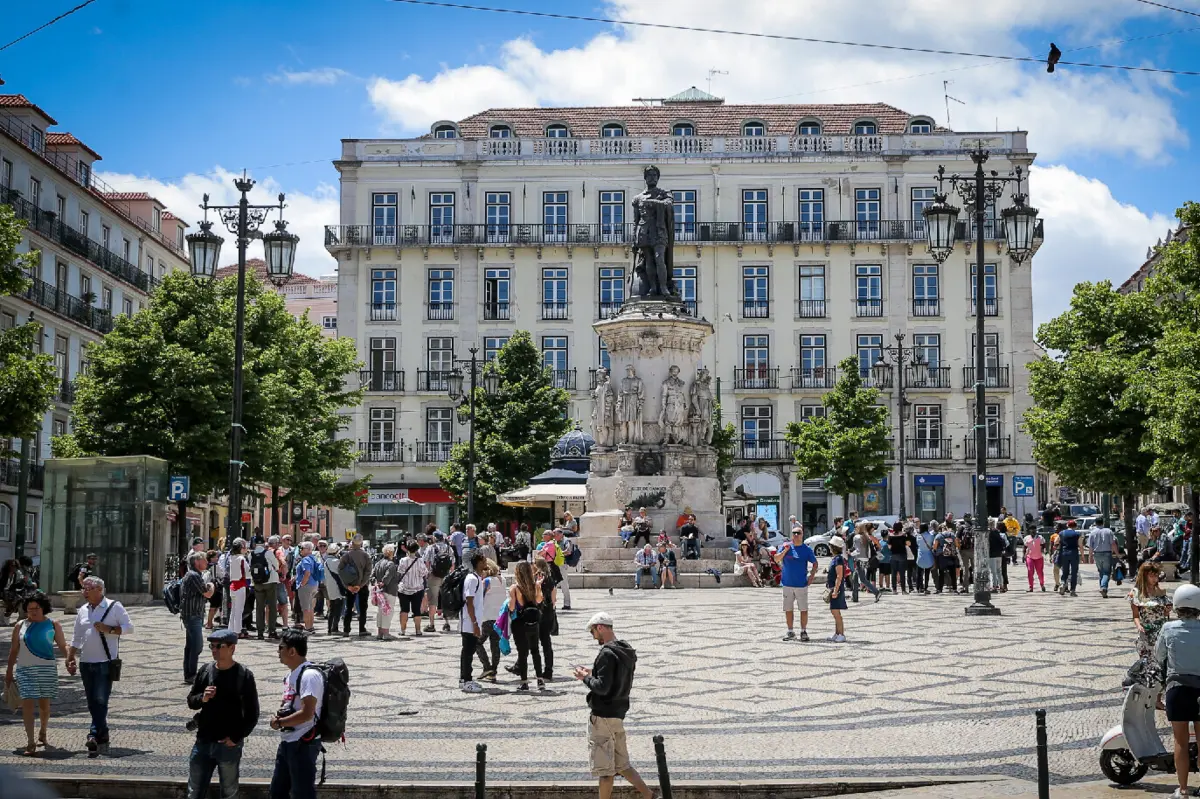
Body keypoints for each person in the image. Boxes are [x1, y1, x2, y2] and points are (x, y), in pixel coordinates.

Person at [573, 612, 654, 799]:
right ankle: (651, 797)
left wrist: (585, 678)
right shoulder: (626, 650)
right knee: (623, 765)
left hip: (602, 716)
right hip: (618, 714)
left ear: (600, 627)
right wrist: (594, 671)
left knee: (605, 771)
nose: (593, 636)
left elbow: (602, 687)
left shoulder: (606, 653)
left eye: (593, 632)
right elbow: (614, 676)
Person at [186, 629, 259, 799]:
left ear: (232, 648)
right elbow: (191, 701)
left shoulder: (244, 675)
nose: (214, 650)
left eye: (219, 646)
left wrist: (235, 737)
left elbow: (252, 713)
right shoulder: (205, 671)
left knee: (229, 792)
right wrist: (202, 698)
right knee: (194, 792)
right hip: (203, 741)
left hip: (228, 745)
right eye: (212, 646)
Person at [69, 576, 133, 753]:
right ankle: (103, 732)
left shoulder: (114, 607)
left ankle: (93, 733)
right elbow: (76, 636)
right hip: (86, 662)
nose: (85, 592)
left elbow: (129, 628)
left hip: (105, 662)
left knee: (100, 699)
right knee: (91, 701)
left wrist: (109, 629)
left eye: (88, 589)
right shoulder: (83, 610)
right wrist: (70, 656)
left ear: (99, 590)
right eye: (84, 589)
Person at [5, 593, 72, 755]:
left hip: (47, 669)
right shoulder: (20, 625)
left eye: (36, 608)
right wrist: (8, 672)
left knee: (44, 705)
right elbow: (14, 650)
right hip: (25, 670)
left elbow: (63, 646)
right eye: (30, 609)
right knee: (27, 703)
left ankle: (43, 731)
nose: (33, 612)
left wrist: (69, 660)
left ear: (43, 607)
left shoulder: (53, 624)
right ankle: (30, 742)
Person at [1154, 584, 1200, 799]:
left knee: (1180, 741)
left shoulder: (1168, 628)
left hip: (1177, 688)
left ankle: (1182, 790)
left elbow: (1158, 655)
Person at [268, 629, 324, 799]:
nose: (278, 652)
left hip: (303, 744)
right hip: (288, 742)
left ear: (292, 651)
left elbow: (307, 713)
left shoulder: (309, 676)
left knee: (302, 794)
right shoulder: (292, 674)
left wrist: (279, 723)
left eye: (281, 648)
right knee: (278, 792)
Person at [1130, 562, 1172, 686]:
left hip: (1162, 632)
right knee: (1148, 667)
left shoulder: (1159, 591)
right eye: (1152, 576)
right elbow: (1136, 615)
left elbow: (1163, 614)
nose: (1155, 579)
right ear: (1144, 576)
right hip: (1147, 633)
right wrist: (1139, 626)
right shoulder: (1136, 593)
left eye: (1156, 575)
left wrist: (1167, 610)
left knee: (1162, 665)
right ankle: (1148, 696)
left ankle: (1158, 697)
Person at [774, 528, 818, 642]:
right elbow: (776, 559)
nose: (796, 535)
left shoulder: (806, 549)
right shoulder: (786, 547)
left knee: (803, 608)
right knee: (788, 609)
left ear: (802, 535)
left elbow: (815, 563)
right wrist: (784, 551)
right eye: (794, 533)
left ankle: (803, 631)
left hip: (801, 584)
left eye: (799, 533)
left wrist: (812, 576)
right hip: (787, 583)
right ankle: (790, 631)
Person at [509, 561, 545, 691]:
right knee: (535, 650)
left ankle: (524, 682)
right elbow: (539, 600)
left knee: (522, 653)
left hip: (519, 622)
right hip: (533, 621)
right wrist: (539, 586)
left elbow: (512, 607)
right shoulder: (535, 585)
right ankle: (540, 679)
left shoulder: (515, 588)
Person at [180, 552, 216, 683]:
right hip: (192, 614)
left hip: (195, 614)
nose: (206, 563)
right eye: (204, 560)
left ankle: (189, 674)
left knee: (191, 645)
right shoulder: (194, 575)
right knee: (196, 645)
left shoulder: (195, 575)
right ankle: (190, 674)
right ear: (197, 562)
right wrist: (211, 586)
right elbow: (207, 594)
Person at [459, 551, 487, 693]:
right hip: (469, 621)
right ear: (478, 562)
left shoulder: (477, 577)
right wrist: (475, 623)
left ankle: (465, 678)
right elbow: (469, 602)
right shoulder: (472, 579)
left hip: (473, 620)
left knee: (468, 650)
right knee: (468, 651)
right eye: (484, 560)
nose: (486, 562)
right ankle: (466, 680)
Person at [474, 560, 504, 683]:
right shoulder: (502, 580)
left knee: (477, 642)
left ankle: (487, 666)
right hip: (499, 617)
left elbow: (479, 598)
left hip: (487, 617)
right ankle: (493, 671)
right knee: (495, 645)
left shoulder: (486, 582)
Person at [339, 534, 372, 638]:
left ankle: (346, 630)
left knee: (349, 608)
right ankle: (362, 629)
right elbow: (368, 572)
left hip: (350, 586)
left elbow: (340, 571)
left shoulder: (346, 555)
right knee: (362, 608)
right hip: (362, 586)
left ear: (352, 543)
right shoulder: (366, 555)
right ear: (361, 543)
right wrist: (361, 585)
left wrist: (347, 586)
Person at [396, 540, 429, 637]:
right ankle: (418, 630)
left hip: (404, 589)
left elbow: (400, 572)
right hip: (417, 588)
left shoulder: (403, 560)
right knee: (417, 610)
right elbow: (424, 573)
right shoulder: (420, 561)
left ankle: (403, 630)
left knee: (404, 610)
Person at [423, 531, 454, 633]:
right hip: (446, 576)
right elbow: (452, 563)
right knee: (445, 599)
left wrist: (427, 573)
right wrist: (450, 574)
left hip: (434, 576)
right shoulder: (449, 548)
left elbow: (426, 562)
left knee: (433, 600)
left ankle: (431, 624)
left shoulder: (431, 548)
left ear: (434, 538)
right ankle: (447, 623)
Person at [251, 537, 280, 640]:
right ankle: (272, 630)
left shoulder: (251, 554)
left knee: (259, 608)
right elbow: (276, 565)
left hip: (257, 582)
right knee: (272, 607)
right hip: (270, 581)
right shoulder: (268, 553)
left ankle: (260, 632)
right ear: (264, 544)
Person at [534, 559, 558, 682]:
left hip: (539, 612)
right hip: (548, 611)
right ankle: (548, 670)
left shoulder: (538, 578)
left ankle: (521, 667)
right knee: (546, 643)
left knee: (532, 642)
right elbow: (554, 596)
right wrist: (552, 606)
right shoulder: (549, 578)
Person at [371, 543, 400, 640]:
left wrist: (376, 583)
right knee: (388, 611)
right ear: (391, 553)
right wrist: (382, 582)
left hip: (379, 592)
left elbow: (372, 576)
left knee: (380, 612)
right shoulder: (391, 564)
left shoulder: (378, 563)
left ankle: (380, 633)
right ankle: (386, 633)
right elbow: (387, 578)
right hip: (389, 590)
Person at [294, 542, 323, 635]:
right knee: (310, 607)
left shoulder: (306, 559)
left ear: (308, 549)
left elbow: (307, 573)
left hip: (306, 586)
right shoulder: (314, 558)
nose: (300, 550)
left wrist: (302, 584)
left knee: (306, 608)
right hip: (314, 584)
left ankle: (307, 628)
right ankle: (310, 627)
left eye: (302, 548)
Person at [825, 536, 850, 643]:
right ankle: (837, 633)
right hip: (833, 588)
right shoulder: (835, 558)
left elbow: (839, 576)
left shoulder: (839, 559)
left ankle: (841, 634)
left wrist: (835, 590)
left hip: (837, 589)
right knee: (834, 611)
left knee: (836, 612)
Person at [225, 539, 250, 638]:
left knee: (233, 609)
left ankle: (231, 629)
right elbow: (247, 572)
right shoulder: (242, 559)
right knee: (239, 610)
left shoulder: (231, 557)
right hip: (240, 585)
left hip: (233, 585)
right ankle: (237, 631)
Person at [1089, 520, 1118, 598]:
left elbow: (1091, 546)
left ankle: (1102, 587)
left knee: (1101, 571)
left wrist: (1090, 556)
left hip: (1097, 554)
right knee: (1106, 572)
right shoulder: (1108, 531)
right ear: (1103, 523)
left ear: (1095, 523)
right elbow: (1113, 543)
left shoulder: (1092, 532)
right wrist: (1117, 554)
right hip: (1107, 553)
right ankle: (1103, 587)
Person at [322, 543, 346, 636]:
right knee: (338, 608)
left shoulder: (326, 561)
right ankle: (334, 627)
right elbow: (341, 573)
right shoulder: (336, 561)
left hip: (329, 587)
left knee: (331, 608)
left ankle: (329, 628)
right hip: (337, 587)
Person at [933, 524, 960, 594]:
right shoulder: (952, 535)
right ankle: (954, 588)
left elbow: (935, 547)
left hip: (942, 557)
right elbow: (957, 544)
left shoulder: (938, 536)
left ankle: (940, 589)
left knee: (941, 573)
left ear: (940, 529)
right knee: (953, 573)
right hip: (951, 556)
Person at [1058, 520, 1082, 596]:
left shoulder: (1062, 533)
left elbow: (1056, 542)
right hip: (1074, 553)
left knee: (1065, 571)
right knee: (1074, 572)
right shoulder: (1077, 534)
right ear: (1075, 526)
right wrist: (1083, 556)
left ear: (1067, 525)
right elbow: (1080, 545)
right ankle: (1072, 590)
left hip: (1064, 553)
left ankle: (1062, 584)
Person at [553, 529, 574, 609]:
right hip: (554, 564)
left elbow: (568, 551)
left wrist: (558, 554)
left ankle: (567, 604)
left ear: (561, 534)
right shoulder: (554, 541)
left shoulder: (566, 541)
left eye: (556, 534)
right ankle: (552, 603)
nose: (554, 536)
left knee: (564, 584)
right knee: (553, 585)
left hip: (562, 565)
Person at [887, 522, 909, 595]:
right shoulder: (903, 535)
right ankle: (903, 590)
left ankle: (894, 589)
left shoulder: (890, 536)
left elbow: (889, 547)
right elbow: (908, 543)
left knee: (894, 573)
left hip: (893, 555)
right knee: (902, 573)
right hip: (902, 555)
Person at [1023, 527, 1046, 592]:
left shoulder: (1040, 538)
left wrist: (1044, 550)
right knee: (1030, 571)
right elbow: (1025, 547)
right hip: (1030, 557)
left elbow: (1044, 545)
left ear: (1036, 530)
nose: (1033, 531)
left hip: (1039, 557)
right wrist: (1023, 555)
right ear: (1029, 531)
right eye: (1031, 530)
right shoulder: (1026, 538)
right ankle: (1031, 587)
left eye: (1034, 530)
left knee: (1040, 573)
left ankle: (1042, 584)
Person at [915, 524, 935, 595]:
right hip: (928, 556)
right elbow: (932, 543)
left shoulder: (918, 536)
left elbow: (918, 544)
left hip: (920, 556)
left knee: (919, 573)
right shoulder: (931, 536)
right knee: (927, 573)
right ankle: (926, 587)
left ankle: (919, 587)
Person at [988, 522, 1008, 593]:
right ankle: (1001, 586)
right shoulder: (997, 532)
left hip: (992, 555)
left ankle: (994, 587)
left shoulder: (989, 533)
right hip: (999, 554)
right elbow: (1002, 542)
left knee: (993, 571)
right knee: (999, 571)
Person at [205, 550, 222, 630]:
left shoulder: (206, 566)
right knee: (214, 606)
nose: (217, 558)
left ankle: (209, 621)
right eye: (215, 557)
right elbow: (221, 575)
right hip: (215, 588)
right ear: (211, 558)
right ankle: (209, 623)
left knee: (214, 606)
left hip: (208, 587)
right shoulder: (215, 566)